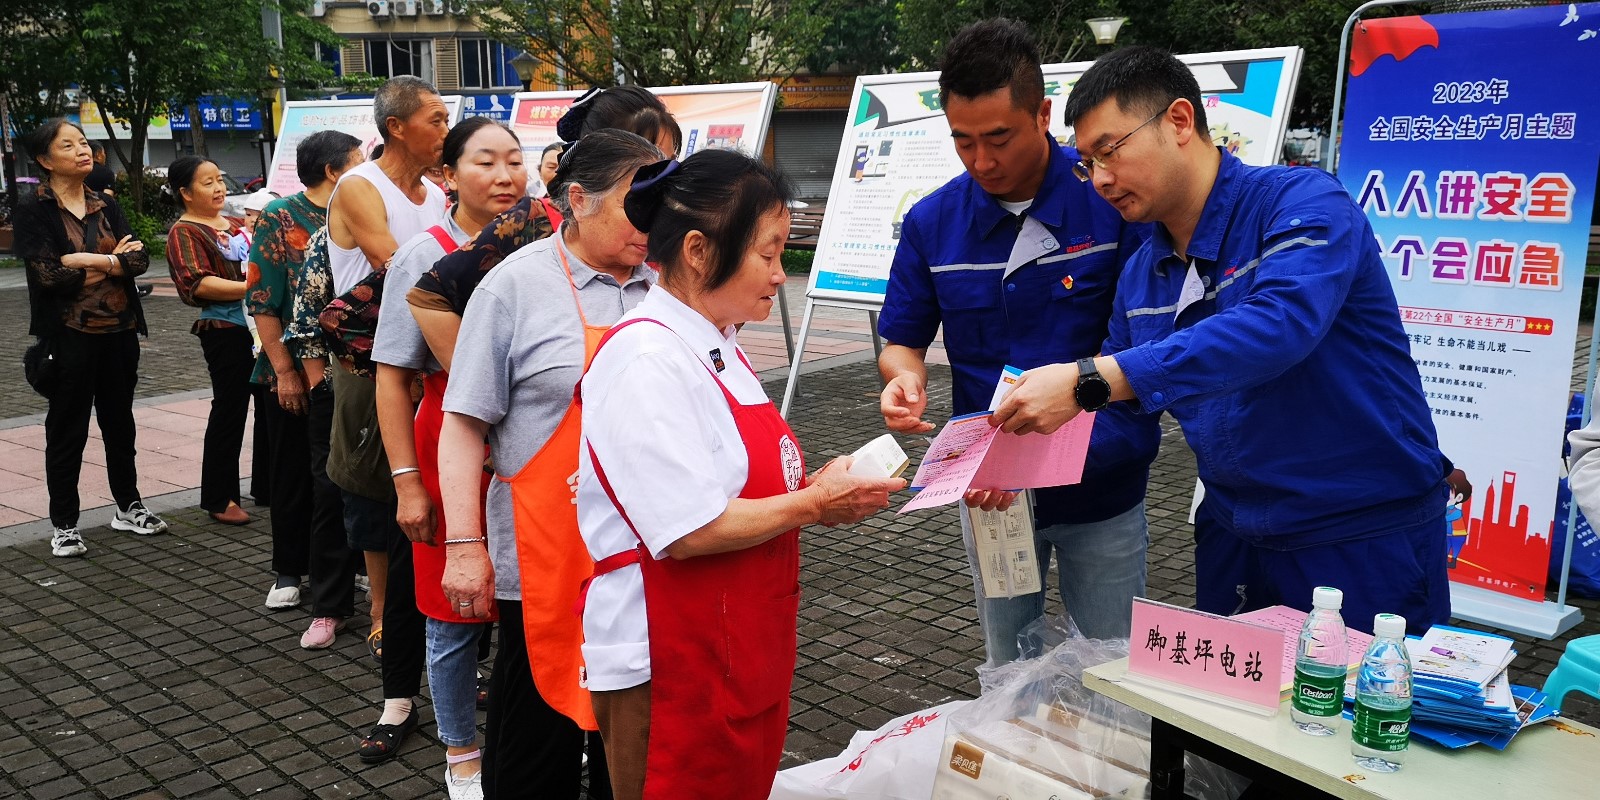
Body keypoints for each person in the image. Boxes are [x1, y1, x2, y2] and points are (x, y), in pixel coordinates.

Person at [993, 46, 1453, 635]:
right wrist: (1013, 455)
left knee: (1364, 692)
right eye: (1087, 163)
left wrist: (1091, 379)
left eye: (1110, 150)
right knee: (1224, 695)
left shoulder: (1302, 203)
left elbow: (1279, 323)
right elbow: (1121, 412)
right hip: (1234, 533)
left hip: (1357, 532)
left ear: (1179, 121)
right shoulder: (1143, 274)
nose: (1100, 179)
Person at [576, 150, 905, 800]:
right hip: (669, 655)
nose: (781, 274)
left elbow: (728, 482)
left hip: (734, 643)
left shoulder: (715, 342)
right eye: (768, 253)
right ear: (699, 252)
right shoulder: (646, 356)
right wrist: (813, 504)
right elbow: (689, 529)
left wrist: (813, 487)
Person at [876, 19, 1158, 660]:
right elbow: (902, 341)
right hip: (992, 491)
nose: (982, 161)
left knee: (1114, 667)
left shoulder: (1111, 206)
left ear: (1043, 115)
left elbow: (1143, 349)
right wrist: (904, 377)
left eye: (999, 138)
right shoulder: (933, 222)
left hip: (1102, 482)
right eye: (963, 141)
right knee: (1008, 661)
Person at [433, 129, 661, 799]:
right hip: (543, 559)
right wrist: (465, 545)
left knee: (634, 749)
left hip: (646, 555)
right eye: (636, 206)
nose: (652, 225)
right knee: (535, 752)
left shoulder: (668, 282)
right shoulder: (514, 287)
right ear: (578, 200)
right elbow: (463, 424)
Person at [371, 116, 527, 800]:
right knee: (452, 616)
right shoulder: (424, 255)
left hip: (529, 450)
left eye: (514, 161)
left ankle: (525, 744)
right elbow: (391, 376)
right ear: (447, 175)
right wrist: (408, 483)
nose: (505, 176)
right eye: (485, 162)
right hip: (449, 449)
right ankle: (461, 750)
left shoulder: (543, 241)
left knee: (527, 609)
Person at [323, 74, 449, 765]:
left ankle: (444, 656)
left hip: (436, 372)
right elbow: (398, 266)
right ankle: (382, 625)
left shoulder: (437, 195)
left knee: (436, 519)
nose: (444, 130)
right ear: (397, 126)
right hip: (373, 368)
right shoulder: (359, 186)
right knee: (381, 500)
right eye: (436, 119)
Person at [15, 119, 168, 559]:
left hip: (120, 330)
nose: (83, 150)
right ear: (45, 160)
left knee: (120, 423)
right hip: (68, 335)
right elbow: (49, 277)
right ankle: (64, 523)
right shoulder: (34, 209)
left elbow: (139, 260)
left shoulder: (105, 203)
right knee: (68, 429)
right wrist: (112, 262)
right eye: (68, 145)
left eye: (83, 142)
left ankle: (128, 506)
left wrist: (87, 260)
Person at [408, 84, 682, 321]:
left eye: (667, 162)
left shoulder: (666, 227)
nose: (659, 177)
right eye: (644, 161)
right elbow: (431, 296)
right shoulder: (532, 221)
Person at [245, 130, 366, 633]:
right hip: (292, 367)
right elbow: (262, 299)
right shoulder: (283, 216)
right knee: (294, 475)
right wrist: (285, 371)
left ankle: (348, 566)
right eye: (358, 161)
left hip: (345, 372)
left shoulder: (361, 210)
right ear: (333, 170)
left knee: (340, 477)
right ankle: (289, 570)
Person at [164, 155, 255, 526]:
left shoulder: (234, 224)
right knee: (230, 410)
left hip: (259, 326)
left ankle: (267, 484)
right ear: (185, 193)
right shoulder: (185, 232)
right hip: (225, 330)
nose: (218, 188)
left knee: (273, 408)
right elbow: (197, 284)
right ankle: (219, 497)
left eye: (219, 179)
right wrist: (252, 287)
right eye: (207, 182)